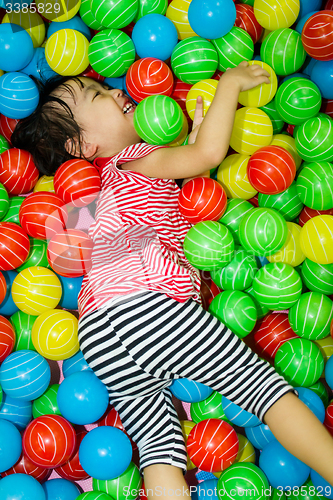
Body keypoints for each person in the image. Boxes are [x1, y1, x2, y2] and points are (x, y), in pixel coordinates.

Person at [12, 61, 333, 495]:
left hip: (99, 332)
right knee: (264, 390)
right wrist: (230, 87)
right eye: (96, 94)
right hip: (149, 306)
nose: (114, 91)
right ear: (84, 145)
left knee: (160, 450)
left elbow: (188, 167)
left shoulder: (107, 185)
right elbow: (208, 158)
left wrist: (198, 133)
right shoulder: (132, 158)